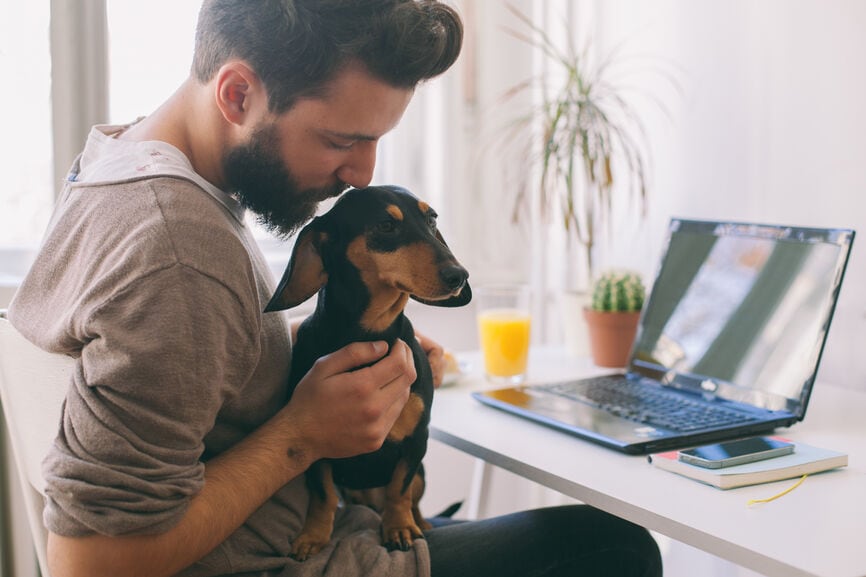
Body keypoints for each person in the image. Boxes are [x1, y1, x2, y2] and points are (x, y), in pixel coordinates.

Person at [8, 1, 663, 576]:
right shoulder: (179, 253)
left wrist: (331, 347)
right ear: (237, 95)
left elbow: (160, 352)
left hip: (298, 528)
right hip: (283, 558)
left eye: (375, 140)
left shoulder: (113, 164)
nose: (360, 173)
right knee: (611, 546)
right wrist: (304, 433)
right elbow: (88, 564)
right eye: (340, 140)